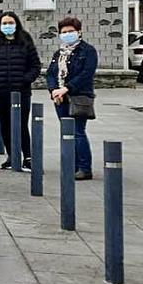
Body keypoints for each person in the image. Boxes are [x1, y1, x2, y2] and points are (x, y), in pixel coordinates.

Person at [0, 11, 41, 170]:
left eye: (10, 23)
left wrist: (26, 79)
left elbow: (35, 66)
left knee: (22, 124)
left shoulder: (25, 43)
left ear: (16, 24)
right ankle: (12, 155)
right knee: (5, 124)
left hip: (21, 92)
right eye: (4, 23)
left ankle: (28, 156)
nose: (7, 26)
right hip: (0, 91)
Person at [46, 16, 98, 181]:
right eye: (64, 32)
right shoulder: (59, 53)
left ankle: (84, 167)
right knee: (66, 131)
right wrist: (54, 89)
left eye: (71, 31)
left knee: (78, 131)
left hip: (79, 96)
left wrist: (66, 88)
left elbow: (86, 74)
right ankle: (73, 165)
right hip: (60, 98)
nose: (67, 34)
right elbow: (51, 73)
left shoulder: (87, 51)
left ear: (78, 32)